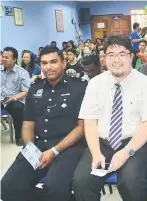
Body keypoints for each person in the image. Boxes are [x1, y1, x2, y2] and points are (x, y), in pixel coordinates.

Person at [72, 35, 147, 201]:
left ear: (131, 57)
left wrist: (127, 151)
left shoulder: (145, 84)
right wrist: (96, 152)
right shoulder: (95, 83)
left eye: (122, 54)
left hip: (135, 143)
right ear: (104, 58)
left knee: (131, 182)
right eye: (111, 55)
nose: (116, 60)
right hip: (102, 143)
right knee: (81, 181)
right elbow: (89, 120)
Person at [0, 46, 87, 201]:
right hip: (38, 146)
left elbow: (82, 127)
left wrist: (54, 151)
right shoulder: (35, 89)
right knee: (8, 187)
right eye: (44, 63)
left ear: (63, 63)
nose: (48, 67)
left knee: (55, 190)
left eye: (53, 62)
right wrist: (30, 149)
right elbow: (28, 123)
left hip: (68, 148)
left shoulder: (80, 88)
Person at [1, 47, 32, 146]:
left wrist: (13, 98)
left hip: (14, 99)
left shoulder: (22, 73)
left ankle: (19, 136)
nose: (3, 59)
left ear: (14, 59)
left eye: (6, 57)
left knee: (19, 109)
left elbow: (26, 91)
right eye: (3, 57)